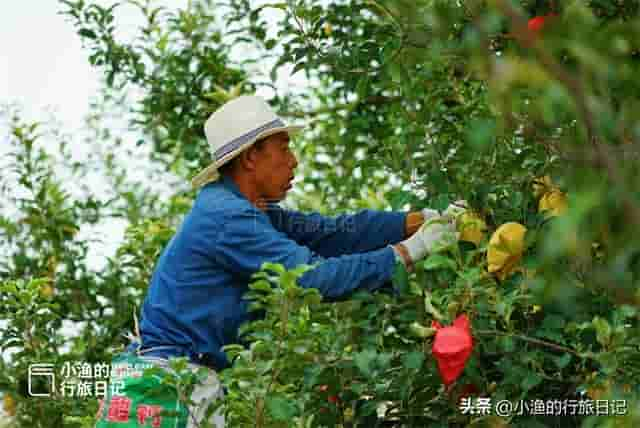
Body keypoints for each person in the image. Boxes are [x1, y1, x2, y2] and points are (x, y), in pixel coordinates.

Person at [95, 95, 464, 428]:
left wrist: (423, 219)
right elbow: (313, 278)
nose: (294, 161)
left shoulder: (251, 211)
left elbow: (334, 232)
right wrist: (412, 250)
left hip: (177, 380)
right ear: (251, 156)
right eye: (283, 148)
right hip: (163, 386)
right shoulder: (229, 219)